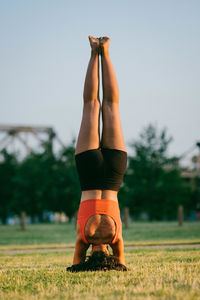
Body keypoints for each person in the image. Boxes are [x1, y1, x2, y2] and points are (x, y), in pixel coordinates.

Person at [67, 36, 127, 272]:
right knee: (91, 105)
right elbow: (75, 264)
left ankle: (107, 51)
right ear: (90, 256)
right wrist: (83, 261)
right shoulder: (84, 237)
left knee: (112, 105)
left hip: (113, 172)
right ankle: (95, 51)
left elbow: (122, 264)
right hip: (89, 173)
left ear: (109, 255)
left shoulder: (115, 238)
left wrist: (116, 261)